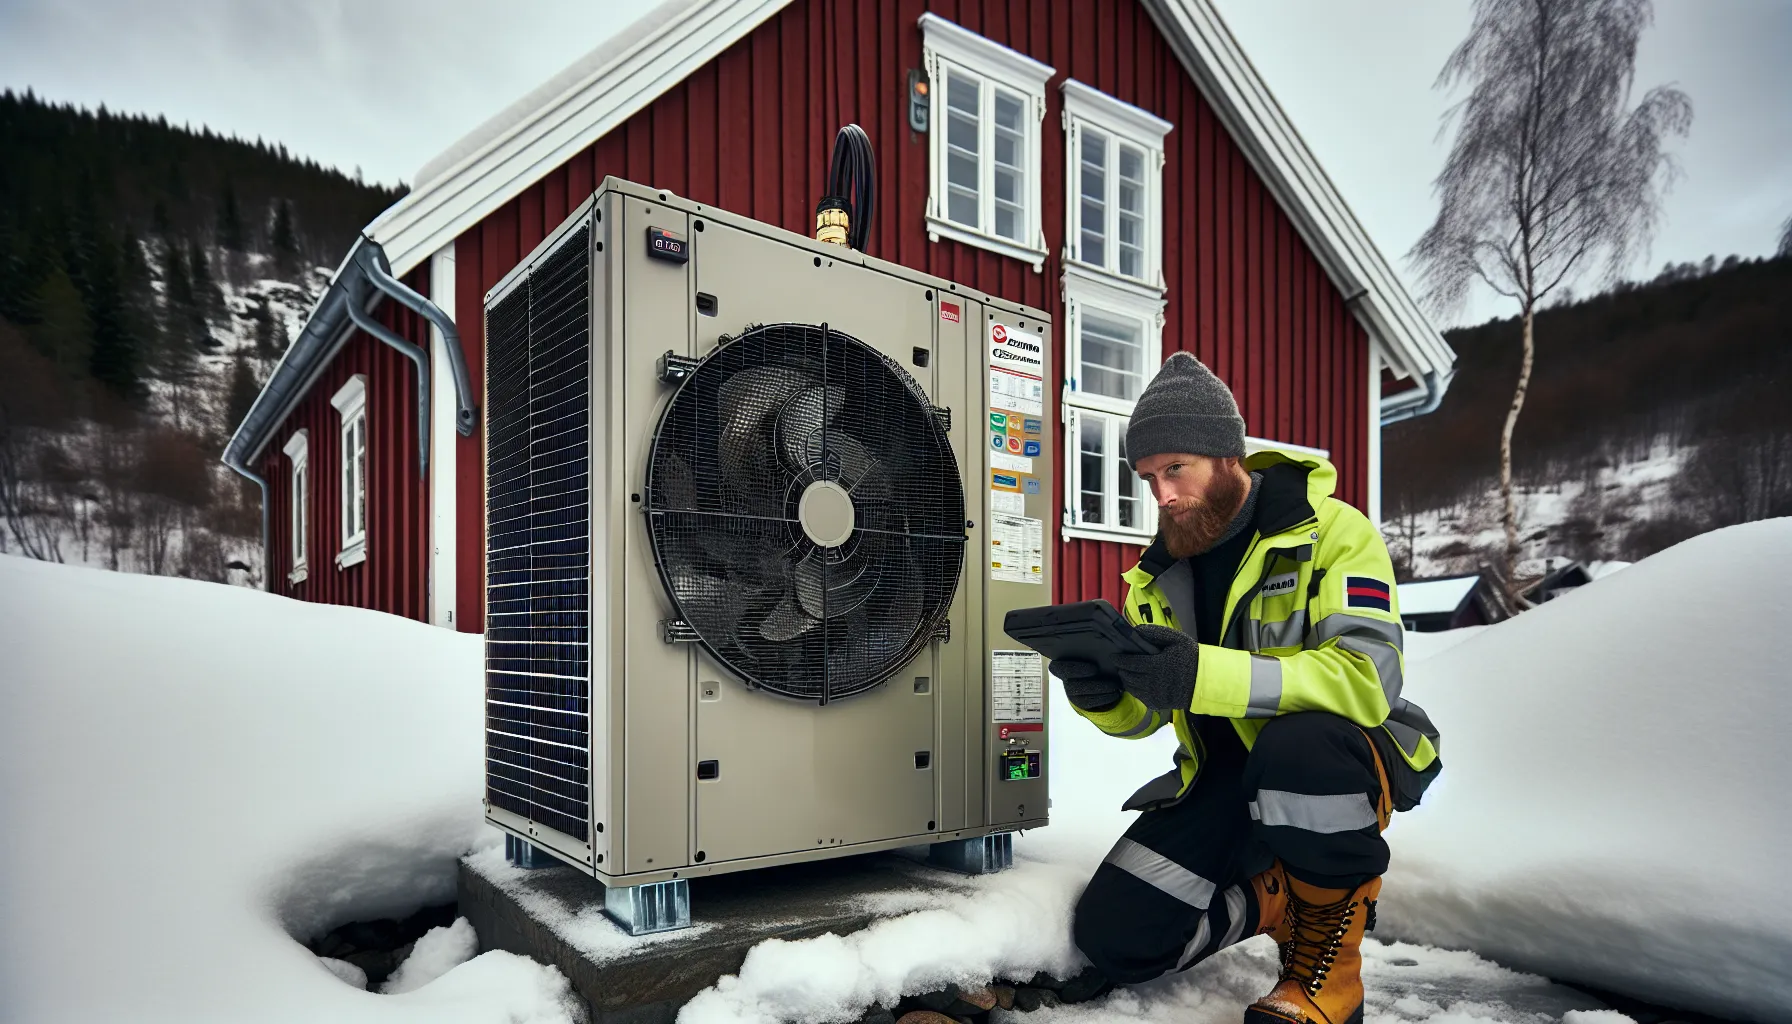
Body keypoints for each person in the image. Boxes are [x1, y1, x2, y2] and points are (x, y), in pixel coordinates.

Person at [1051, 352, 1443, 1024]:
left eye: (1176, 468)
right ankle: (1280, 898)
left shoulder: (1334, 532)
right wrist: (1103, 695)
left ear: (1227, 456)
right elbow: (1151, 712)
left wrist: (1201, 672)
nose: (1163, 494)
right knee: (1117, 939)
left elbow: (1368, 679)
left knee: (1300, 747)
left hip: (1340, 762)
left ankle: (1329, 972)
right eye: (1149, 478)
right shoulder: (1159, 576)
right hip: (1227, 779)